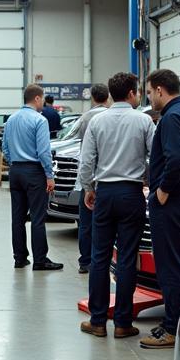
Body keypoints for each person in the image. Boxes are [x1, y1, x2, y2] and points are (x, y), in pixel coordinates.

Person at [76, 73, 154, 339]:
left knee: (100, 256)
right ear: (132, 93)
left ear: (110, 94)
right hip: (131, 193)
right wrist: (147, 181)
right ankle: (122, 322)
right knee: (127, 257)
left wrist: (88, 188)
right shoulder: (144, 120)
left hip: (104, 193)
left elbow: (86, 160)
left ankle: (98, 321)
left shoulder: (98, 121)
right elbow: (155, 157)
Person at [141, 69, 180, 349]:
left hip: (174, 198)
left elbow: (176, 159)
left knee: (171, 265)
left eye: (150, 91)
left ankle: (172, 328)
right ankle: (177, 321)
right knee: (177, 261)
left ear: (161, 90)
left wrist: (162, 192)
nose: (149, 97)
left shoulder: (173, 118)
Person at [1, 85, 63, 271]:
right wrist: (49, 175)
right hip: (34, 172)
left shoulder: (11, 120)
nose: (43, 102)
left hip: (16, 171)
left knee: (17, 217)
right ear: (37, 98)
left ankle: (19, 258)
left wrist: (15, 163)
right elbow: (44, 152)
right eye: (42, 98)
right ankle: (40, 260)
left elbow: (4, 147)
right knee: (37, 217)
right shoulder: (40, 120)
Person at [72, 84, 111, 273]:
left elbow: (83, 147)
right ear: (107, 97)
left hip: (88, 179)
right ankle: (101, 260)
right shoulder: (110, 116)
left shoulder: (86, 117)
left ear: (93, 98)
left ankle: (84, 261)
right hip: (106, 178)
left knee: (85, 223)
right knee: (105, 224)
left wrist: (86, 183)